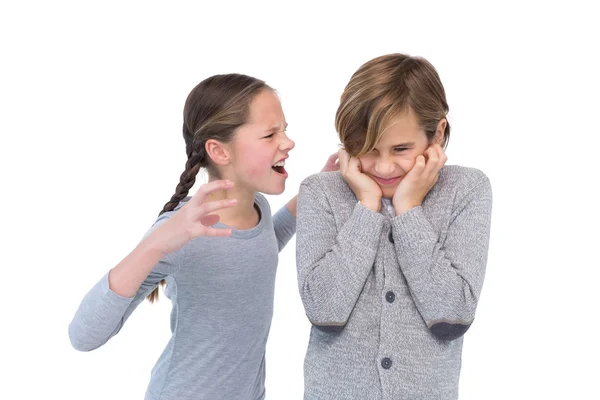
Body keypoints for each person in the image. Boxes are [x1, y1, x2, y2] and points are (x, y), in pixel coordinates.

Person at [69, 73, 338, 400]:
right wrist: (154, 245)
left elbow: (260, 249)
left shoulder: (258, 207)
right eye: (269, 134)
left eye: (284, 129)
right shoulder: (183, 232)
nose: (288, 142)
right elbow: (83, 336)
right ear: (220, 152)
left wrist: (316, 188)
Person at [296, 53, 493, 399]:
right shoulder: (320, 192)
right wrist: (367, 208)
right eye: (368, 149)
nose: (384, 167)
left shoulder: (467, 190)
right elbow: (324, 310)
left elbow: (453, 316)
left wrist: (408, 209)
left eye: (401, 148)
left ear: (438, 132)